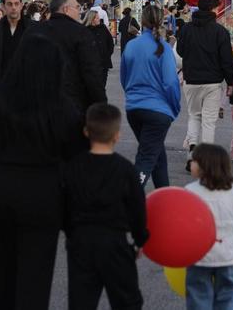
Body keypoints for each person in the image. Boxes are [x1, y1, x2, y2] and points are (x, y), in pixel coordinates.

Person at [0, 32, 85, 310]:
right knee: (36, 277)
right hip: (45, 197)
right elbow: (77, 153)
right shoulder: (61, 107)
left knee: (2, 275)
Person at [62, 103, 147, 310]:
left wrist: (70, 232)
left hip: (81, 240)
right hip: (115, 242)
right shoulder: (126, 170)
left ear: (86, 131)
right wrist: (139, 239)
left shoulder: (73, 167)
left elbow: (63, 205)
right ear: (117, 135)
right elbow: (138, 209)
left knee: (81, 301)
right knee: (127, 300)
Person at [121, 5, 181, 188]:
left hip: (134, 108)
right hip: (158, 109)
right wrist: (175, 107)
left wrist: (132, 95)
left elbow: (124, 77)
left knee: (156, 155)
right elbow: (171, 82)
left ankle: (165, 197)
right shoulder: (163, 48)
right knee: (147, 157)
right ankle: (128, 198)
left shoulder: (131, 45)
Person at [184, 144, 233, 309]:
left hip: (199, 255)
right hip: (226, 253)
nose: (191, 163)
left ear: (204, 166)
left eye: (194, 161)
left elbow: (183, 223)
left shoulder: (190, 191)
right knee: (227, 292)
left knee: (198, 292)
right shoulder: (231, 190)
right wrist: (229, 231)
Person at [176, 0, 233, 151]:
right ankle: (205, 156)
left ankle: (193, 149)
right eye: (217, 8)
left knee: (194, 115)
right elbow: (227, 60)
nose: (219, 11)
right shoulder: (220, 31)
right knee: (209, 120)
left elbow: (180, 51)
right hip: (213, 82)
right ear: (212, 10)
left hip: (191, 80)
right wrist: (231, 82)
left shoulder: (186, 29)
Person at [35, 0, 107, 112]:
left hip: (40, 105)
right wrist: (101, 104)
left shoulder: (35, 31)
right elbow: (91, 73)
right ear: (66, 9)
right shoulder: (81, 34)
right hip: (73, 105)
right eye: (77, 7)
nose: (80, 11)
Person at [84, 9, 115, 87]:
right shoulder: (85, 31)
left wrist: (107, 54)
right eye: (97, 18)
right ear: (92, 19)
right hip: (91, 64)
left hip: (103, 62)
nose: (99, 19)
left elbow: (110, 42)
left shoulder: (103, 28)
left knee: (102, 85)